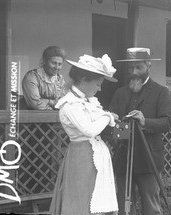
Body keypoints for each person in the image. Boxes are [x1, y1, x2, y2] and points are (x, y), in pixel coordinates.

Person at [49, 54, 119, 215]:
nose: (99, 89)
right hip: (82, 156)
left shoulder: (88, 101)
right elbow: (90, 129)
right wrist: (107, 116)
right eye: (98, 84)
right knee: (82, 200)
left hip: (93, 154)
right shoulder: (70, 104)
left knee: (96, 197)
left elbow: (96, 122)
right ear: (84, 79)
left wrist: (105, 116)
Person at [109, 47, 171, 215]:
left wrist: (145, 121)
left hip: (149, 157)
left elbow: (167, 122)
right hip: (123, 158)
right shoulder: (120, 93)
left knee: (151, 206)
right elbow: (112, 123)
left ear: (148, 65)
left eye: (139, 67)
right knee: (124, 206)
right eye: (131, 68)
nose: (134, 72)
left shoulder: (161, 92)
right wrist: (117, 125)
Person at [22, 46, 66, 110]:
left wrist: (46, 101)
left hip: (55, 117)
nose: (57, 67)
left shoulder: (59, 79)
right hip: (32, 117)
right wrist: (54, 103)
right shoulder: (32, 76)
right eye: (54, 63)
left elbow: (62, 104)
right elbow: (36, 104)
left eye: (59, 64)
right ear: (45, 61)